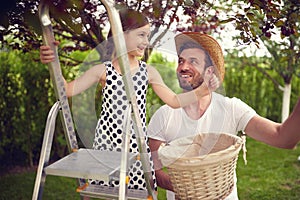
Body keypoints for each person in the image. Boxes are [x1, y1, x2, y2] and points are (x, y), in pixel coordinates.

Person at [39, 9, 218, 192]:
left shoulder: (148, 72)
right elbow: (67, 90)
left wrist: (203, 90)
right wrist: (53, 64)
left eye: (147, 36)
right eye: (141, 35)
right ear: (120, 35)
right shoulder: (104, 70)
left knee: (139, 192)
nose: (146, 42)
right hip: (107, 146)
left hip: (135, 145)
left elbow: (173, 100)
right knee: (104, 192)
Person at [148, 32, 300, 199]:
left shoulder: (231, 108)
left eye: (193, 61)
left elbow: (284, 138)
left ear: (209, 71)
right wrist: (185, 187)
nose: (183, 67)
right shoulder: (165, 114)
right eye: (181, 61)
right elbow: (151, 168)